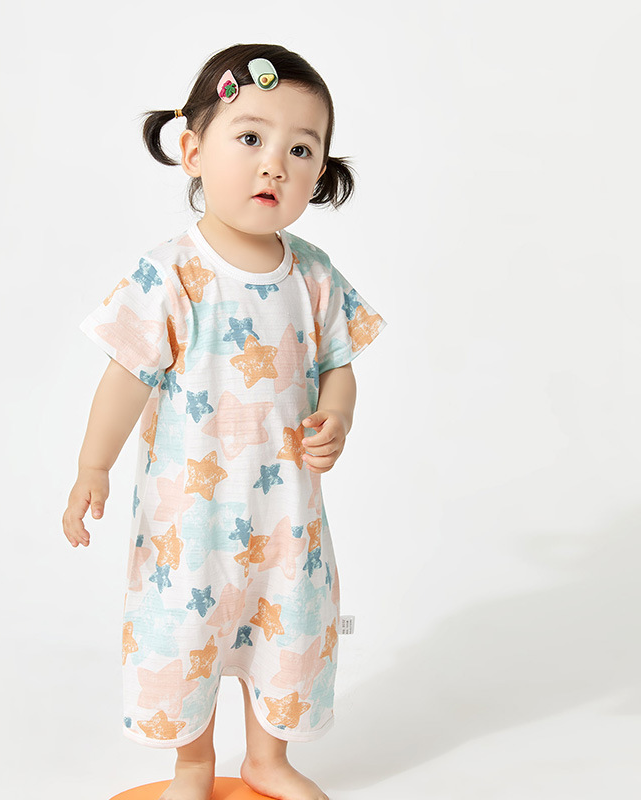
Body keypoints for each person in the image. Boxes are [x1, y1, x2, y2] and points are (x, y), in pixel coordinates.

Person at [63, 43, 388, 800]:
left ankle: (268, 759)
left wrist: (336, 414)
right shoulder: (170, 274)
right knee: (188, 634)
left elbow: (339, 361)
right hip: (191, 521)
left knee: (287, 630)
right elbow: (125, 377)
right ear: (192, 151)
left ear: (321, 172)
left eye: (300, 149)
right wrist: (91, 466)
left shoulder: (313, 274)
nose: (274, 164)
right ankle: (194, 765)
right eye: (250, 138)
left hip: (287, 520)